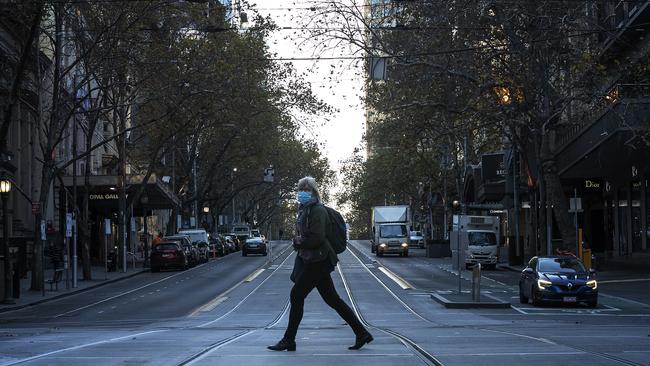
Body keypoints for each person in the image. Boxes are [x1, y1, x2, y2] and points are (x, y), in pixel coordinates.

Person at [268, 176, 372, 352]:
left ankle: (288, 340)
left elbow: (317, 238)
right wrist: (300, 242)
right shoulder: (304, 210)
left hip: (319, 260)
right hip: (312, 259)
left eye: (307, 189)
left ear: (314, 191)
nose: (303, 192)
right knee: (332, 299)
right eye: (301, 189)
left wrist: (298, 243)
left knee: (297, 295)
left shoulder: (317, 211)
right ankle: (362, 333)